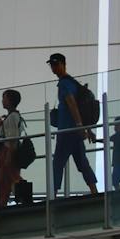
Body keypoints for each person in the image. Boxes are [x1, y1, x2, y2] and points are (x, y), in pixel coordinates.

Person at [45, 52, 99, 196]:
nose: (54, 67)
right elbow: (80, 108)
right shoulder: (73, 82)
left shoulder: (64, 83)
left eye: (56, 64)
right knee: (82, 163)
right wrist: (85, 129)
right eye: (52, 64)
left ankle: (53, 194)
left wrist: (81, 125)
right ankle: (94, 191)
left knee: (57, 164)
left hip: (67, 131)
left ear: (63, 64)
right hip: (76, 130)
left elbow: (72, 104)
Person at [0, 89, 27, 207]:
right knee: (6, 181)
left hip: (8, 152)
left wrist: (8, 156)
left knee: (10, 178)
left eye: (4, 98)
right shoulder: (13, 116)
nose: (2, 101)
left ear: (9, 100)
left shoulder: (12, 117)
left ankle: (24, 200)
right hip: (7, 152)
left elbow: (12, 139)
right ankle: (2, 204)